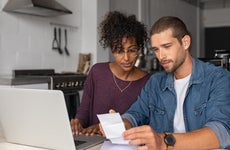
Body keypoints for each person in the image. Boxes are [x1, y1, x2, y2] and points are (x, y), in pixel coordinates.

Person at [108, 16, 230, 149]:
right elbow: (136, 114)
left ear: (185, 42)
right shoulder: (155, 82)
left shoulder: (218, 78)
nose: (161, 56)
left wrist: (164, 141)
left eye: (166, 46)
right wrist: (122, 124)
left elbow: (221, 132)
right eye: (156, 49)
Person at [70, 11, 150, 136]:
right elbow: (83, 111)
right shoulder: (97, 72)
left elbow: (143, 121)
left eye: (132, 50)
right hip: (93, 143)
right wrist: (77, 122)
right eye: (119, 51)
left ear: (139, 49)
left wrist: (103, 127)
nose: (126, 58)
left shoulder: (148, 82)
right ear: (111, 50)